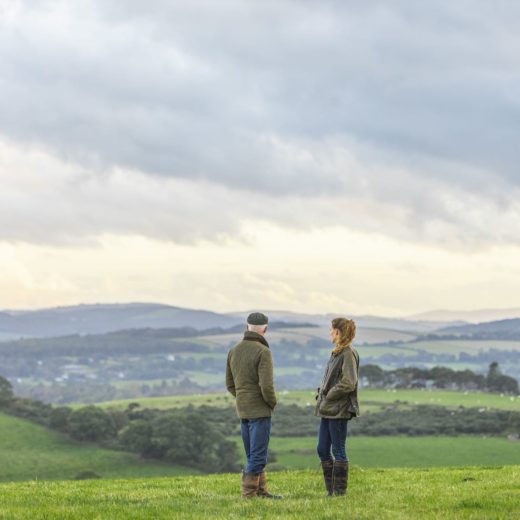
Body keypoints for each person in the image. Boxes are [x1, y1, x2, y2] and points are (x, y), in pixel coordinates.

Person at [226, 312, 282, 499]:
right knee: (258, 455)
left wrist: (243, 396)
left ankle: (262, 491)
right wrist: (272, 403)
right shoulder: (263, 351)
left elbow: (230, 384)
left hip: (243, 409)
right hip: (259, 410)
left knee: (253, 454)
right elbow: (266, 386)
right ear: (265, 329)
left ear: (246, 326)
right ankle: (249, 495)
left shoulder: (233, 350)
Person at [315, 317, 360, 497]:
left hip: (339, 409)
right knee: (322, 449)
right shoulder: (337, 352)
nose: (329, 333)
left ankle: (339, 493)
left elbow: (349, 382)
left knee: (338, 450)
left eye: (331, 330)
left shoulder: (348, 353)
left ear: (338, 332)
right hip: (328, 409)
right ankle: (331, 491)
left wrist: (330, 395)